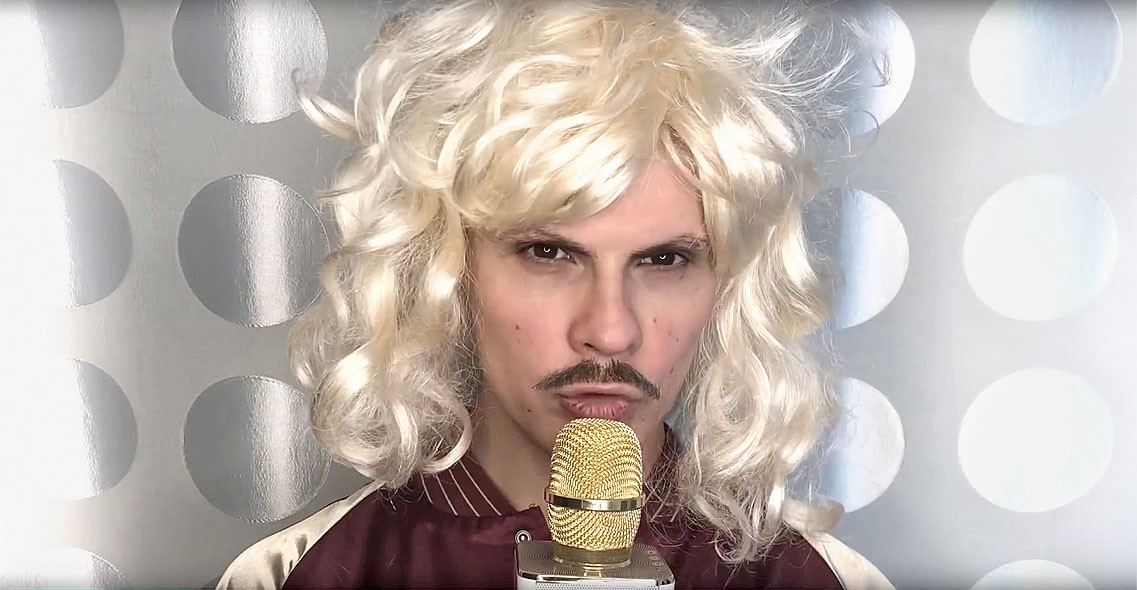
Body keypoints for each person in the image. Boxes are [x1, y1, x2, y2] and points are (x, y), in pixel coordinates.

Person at [217, 0, 892, 587]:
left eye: (663, 260)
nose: (611, 330)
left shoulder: (813, 580)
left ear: (723, 285)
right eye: (549, 253)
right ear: (450, 264)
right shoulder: (305, 573)